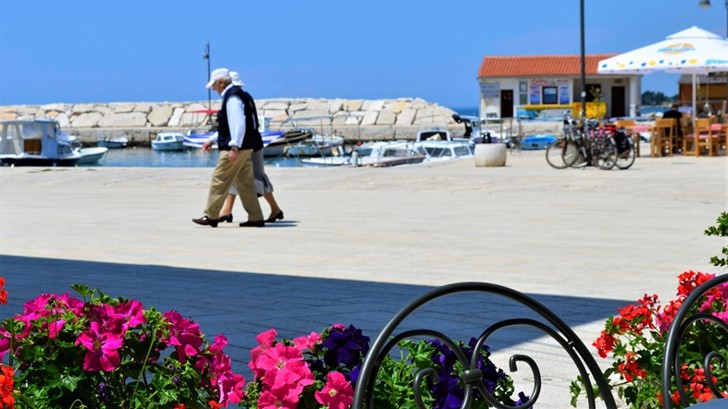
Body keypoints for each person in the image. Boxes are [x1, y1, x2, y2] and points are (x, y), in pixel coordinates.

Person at [192, 67, 265, 228]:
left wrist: (234, 147)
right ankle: (256, 217)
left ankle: (211, 215)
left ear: (221, 82)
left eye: (214, 85)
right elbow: (232, 125)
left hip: (235, 148)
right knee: (245, 184)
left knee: (219, 180)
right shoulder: (240, 95)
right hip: (246, 146)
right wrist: (213, 140)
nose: (213, 88)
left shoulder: (232, 98)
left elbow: (238, 123)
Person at [217, 71, 284, 224]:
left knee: (257, 178)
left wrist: (234, 145)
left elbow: (239, 125)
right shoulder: (243, 96)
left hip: (249, 144)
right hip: (249, 142)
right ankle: (227, 210)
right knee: (236, 176)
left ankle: (275, 209)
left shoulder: (236, 98)